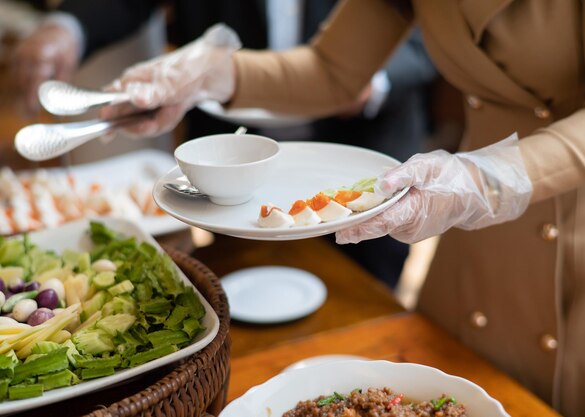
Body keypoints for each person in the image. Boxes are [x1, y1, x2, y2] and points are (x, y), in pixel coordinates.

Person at [91, 1, 585, 416]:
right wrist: (215, 75)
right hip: (476, 227)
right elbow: (332, 68)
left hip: (584, 216)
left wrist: (486, 177)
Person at [13, 0, 438, 288]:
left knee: (368, 304)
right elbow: (330, 70)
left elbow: (435, 34)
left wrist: (375, 81)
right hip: (228, 171)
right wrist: (203, 76)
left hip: (358, 151)